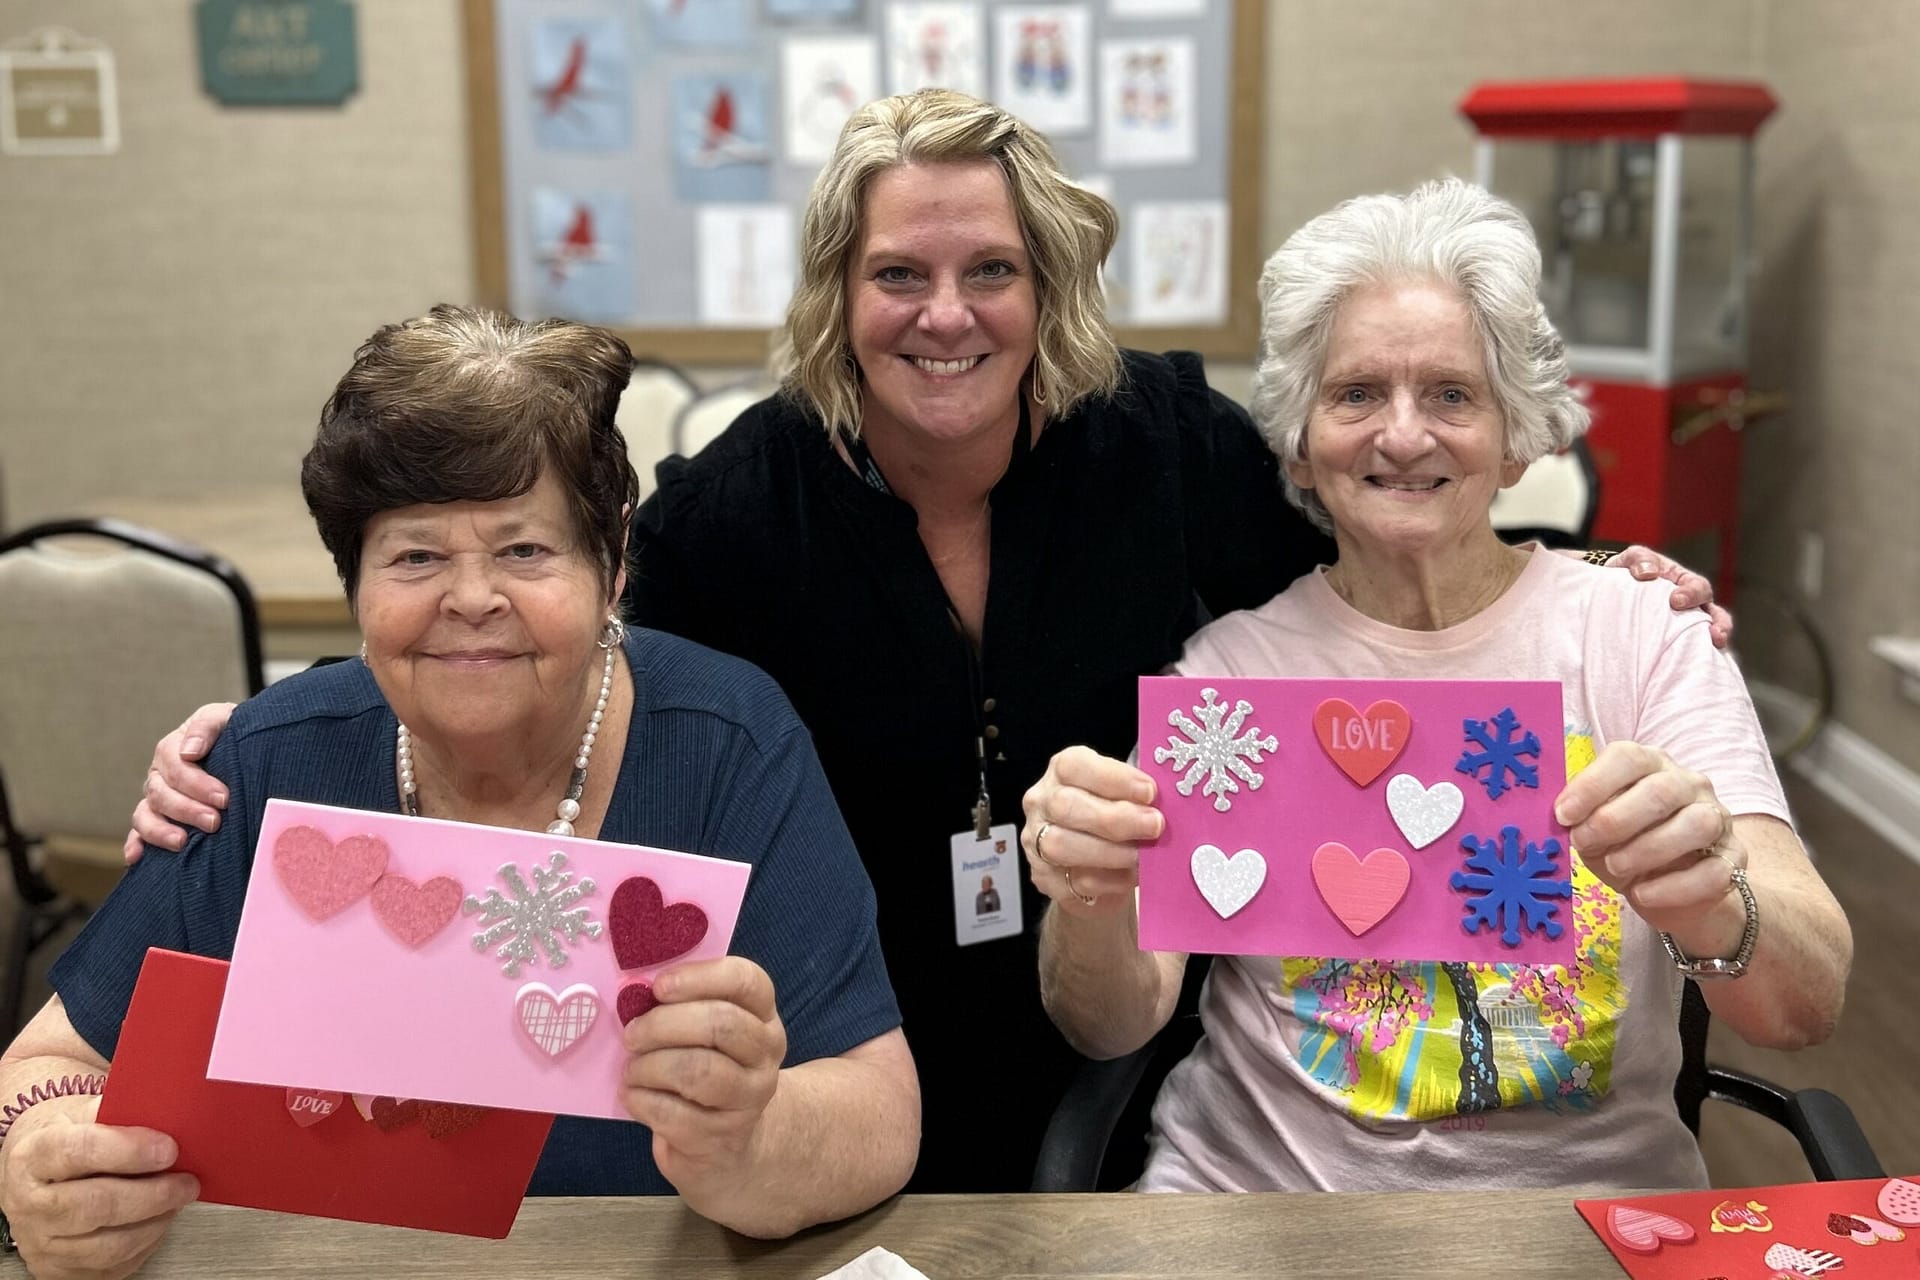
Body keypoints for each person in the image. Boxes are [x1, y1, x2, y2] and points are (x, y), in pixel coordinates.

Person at [121, 93, 1726, 1193]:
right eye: (899, 273)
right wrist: (276, 732)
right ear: (840, 292)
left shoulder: (1166, 445)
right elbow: (552, 646)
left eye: (991, 272)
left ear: (1050, 290)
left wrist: (1589, 572)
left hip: (1133, 1048)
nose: (944, 314)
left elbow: (1392, 526)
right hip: (829, 1034)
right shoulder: (743, 501)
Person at [0, 307, 918, 1277]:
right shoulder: (270, 765)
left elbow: (876, 1103)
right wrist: (36, 1147)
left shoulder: (729, 743)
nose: (471, 598)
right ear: (356, 580)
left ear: (610, 567)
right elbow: (44, 1061)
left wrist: (748, 1142)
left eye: (524, 550)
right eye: (415, 555)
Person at [1022, 180, 1851, 1193]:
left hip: (1579, 1220)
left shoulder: (1639, 630)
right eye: (1357, 392)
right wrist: (1090, 891)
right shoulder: (1232, 676)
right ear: (1299, 438)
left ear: (1517, 434)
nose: (1403, 435)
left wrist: (1716, 891)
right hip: (1255, 1215)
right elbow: (1109, 1018)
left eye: (1451, 395)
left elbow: (1806, 1005)